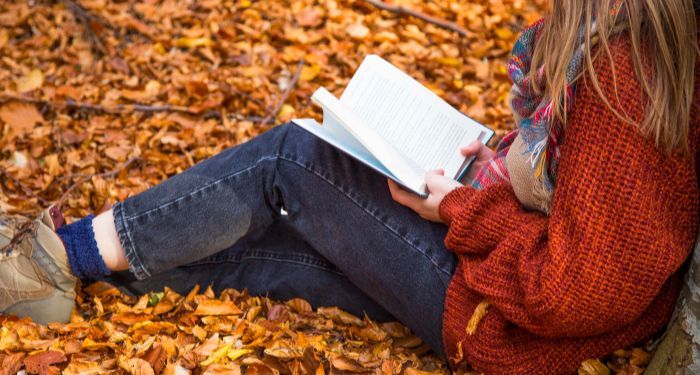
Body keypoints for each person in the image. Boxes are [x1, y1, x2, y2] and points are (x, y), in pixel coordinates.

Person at [1, 0, 698, 373]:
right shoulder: (624, 49)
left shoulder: (621, 76)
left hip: (508, 329)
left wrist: (459, 207)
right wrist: (492, 163)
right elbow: (584, 203)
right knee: (289, 237)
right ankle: (75, 281)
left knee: (293, 159)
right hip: (507, 306)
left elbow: (574, 289)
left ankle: (53, 258)